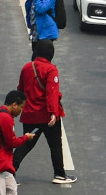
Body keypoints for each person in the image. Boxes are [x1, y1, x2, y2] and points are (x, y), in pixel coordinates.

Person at [15, 40, 72, 184]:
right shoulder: (51, 70)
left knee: (26, 144)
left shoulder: (27, 67)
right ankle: (59, 174)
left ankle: (9, 171)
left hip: (30, 114)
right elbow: (52, 93)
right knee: (55, 145)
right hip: (47, 116)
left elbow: (20, 89)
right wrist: (53, 112)